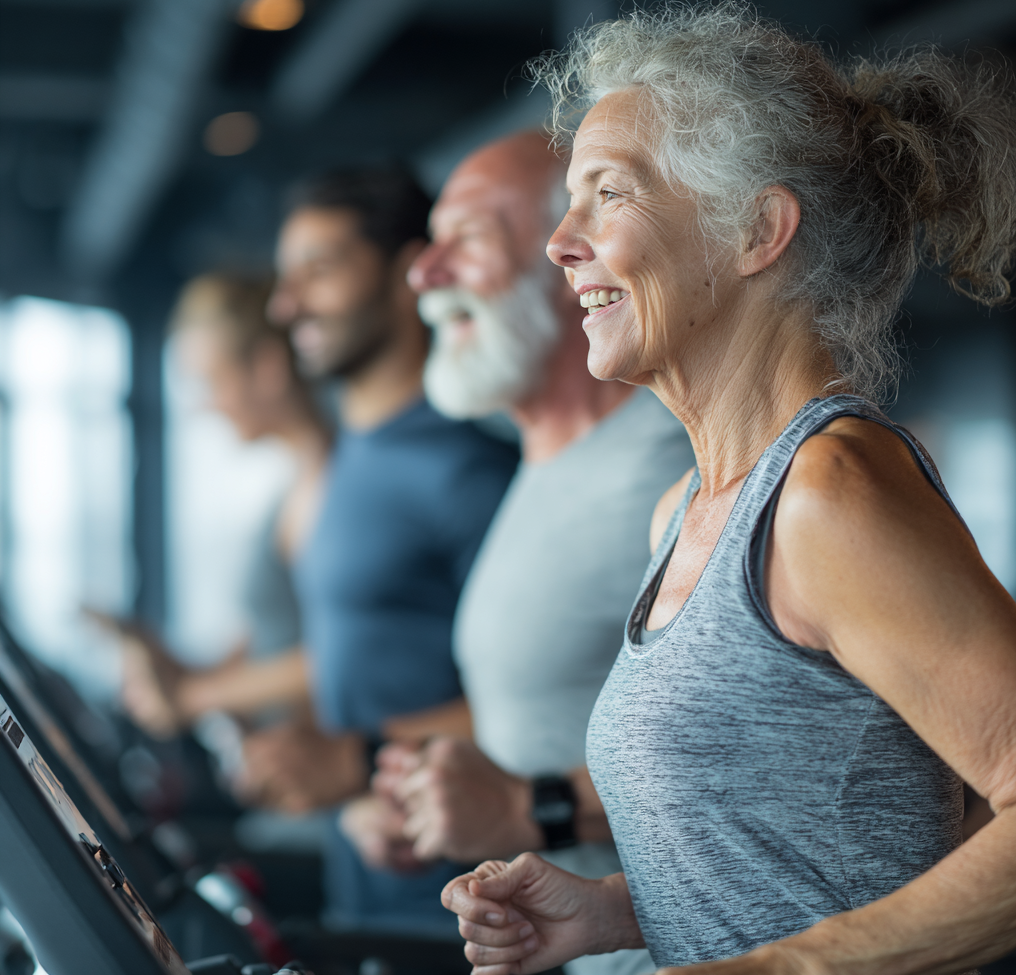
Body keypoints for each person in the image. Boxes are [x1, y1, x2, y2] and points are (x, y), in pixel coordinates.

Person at [443, 0, 1016, 975]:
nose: (560, 242)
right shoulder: (687, 512)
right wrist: (613, 912)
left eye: (608, 194)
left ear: (756, 230)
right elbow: (830, 847)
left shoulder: (828, 494)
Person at [343, 132, 693, 975]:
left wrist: (525, 807)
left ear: (570, 258)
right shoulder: (537, 462)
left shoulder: (668, 465)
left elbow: (764, 764)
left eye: (466, 240)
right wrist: (433, 795)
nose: (422, 275)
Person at [240, 167, 519, 934]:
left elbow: (544, 703)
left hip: (468, 917)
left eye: (319, 271)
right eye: (285, 278)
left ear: (405, 273)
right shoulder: (348, 460)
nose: (285, 304)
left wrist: (360, 759)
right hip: (364, 886)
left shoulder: (465, 469)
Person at [112, 272, 329, 737]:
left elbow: (342, 657)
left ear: (267, 368)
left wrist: (193, 698)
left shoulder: (332, 487)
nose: (203, 405)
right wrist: (189, 673)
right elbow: (276, 638)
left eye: (211, 382)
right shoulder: (294, 486)